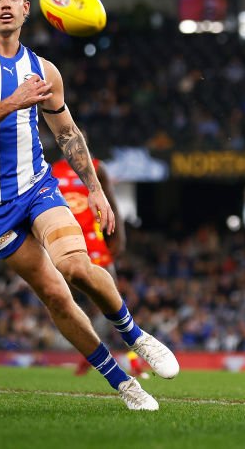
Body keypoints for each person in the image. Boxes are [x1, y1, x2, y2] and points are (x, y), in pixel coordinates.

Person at [0, 0, 179, 411]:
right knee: (54, 294)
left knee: (75, 267)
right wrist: (13, 101)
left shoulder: (43, 70)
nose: (6, 3)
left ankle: (135, 335)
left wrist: (96, 189)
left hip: (37, 189)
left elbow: (68, 133)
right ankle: (124, 384)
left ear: (29, 9)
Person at [54, 157, 145, 377]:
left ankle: (134, 361)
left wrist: (119, 237)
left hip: (95, 245)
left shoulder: (95, 167)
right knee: (79, 306)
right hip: (68, 241)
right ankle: (91, 356)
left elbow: (111, 201)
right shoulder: (53, 170)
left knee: (114, 304)